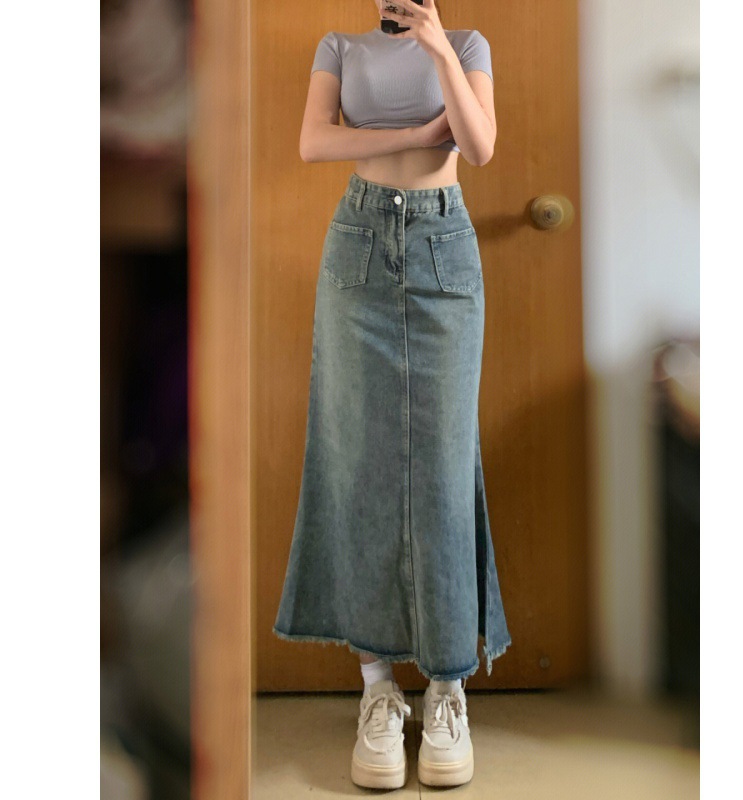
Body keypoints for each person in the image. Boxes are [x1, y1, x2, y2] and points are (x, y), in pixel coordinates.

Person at [272, 0, 512, 789]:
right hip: (359, 245)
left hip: (444, 245)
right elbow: (314, 142)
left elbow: (479, 145)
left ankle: (446, 688)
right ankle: (378, 690)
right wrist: (418, 132)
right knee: (357, 461)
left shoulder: (467, 43)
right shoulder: (338, 46)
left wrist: (439, 50)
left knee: (443, 469)